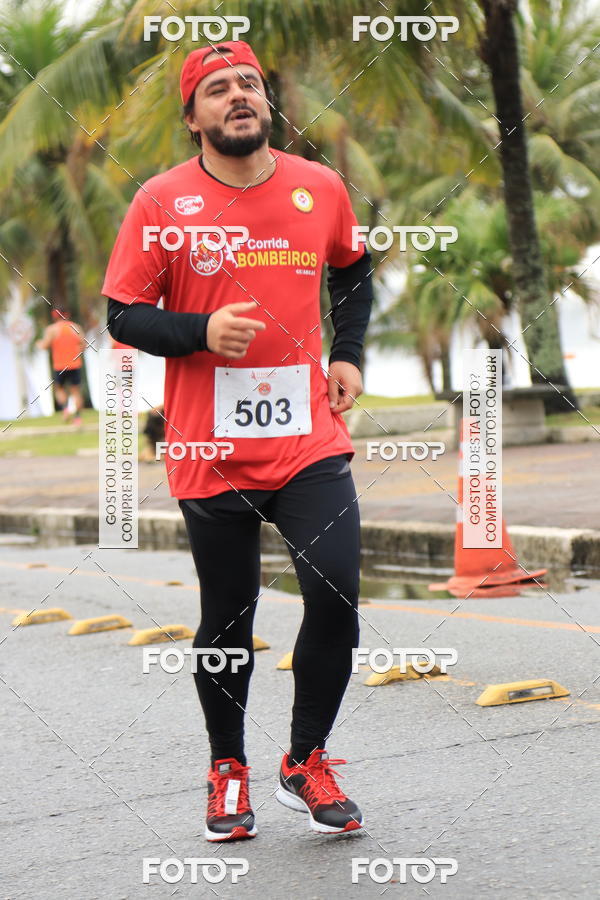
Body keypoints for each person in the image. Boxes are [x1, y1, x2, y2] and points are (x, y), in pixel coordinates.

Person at [103, 40, 374, 842]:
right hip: (205, 446)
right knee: (229, 614)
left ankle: (306, 759)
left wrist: (349, 352)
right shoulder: (160, 202)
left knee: (334, 588)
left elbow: (354, 270)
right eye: (217, 89)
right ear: (193, 117)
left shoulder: (317, 188)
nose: (238, 97)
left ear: (268, 102)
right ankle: (228, 769)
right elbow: (122, 312)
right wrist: (198, 330)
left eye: (248, 84)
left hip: (305, 437)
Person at [36, 307, 86, 425]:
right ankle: (78, 418)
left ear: (54, 316)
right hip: (75, 364)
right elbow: (84, 345)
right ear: (67, 314)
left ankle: (65, 409)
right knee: (76, 391)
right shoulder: (76, 327)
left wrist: (38, 344)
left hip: (59, 366)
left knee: (59, 389)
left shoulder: (52, 329)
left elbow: (45, 345)